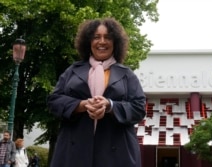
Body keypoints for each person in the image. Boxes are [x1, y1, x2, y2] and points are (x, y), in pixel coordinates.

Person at [47, 17, 146, 167]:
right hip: (73, 153)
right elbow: (54, 101)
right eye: (96, 37)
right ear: (88, 42)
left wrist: (110, 106)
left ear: (115, 42)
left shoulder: (127, 75)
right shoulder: (73, 71)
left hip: (117, 155)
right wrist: (81, 105)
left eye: (108, 37)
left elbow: (139, 108)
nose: (102, 42)